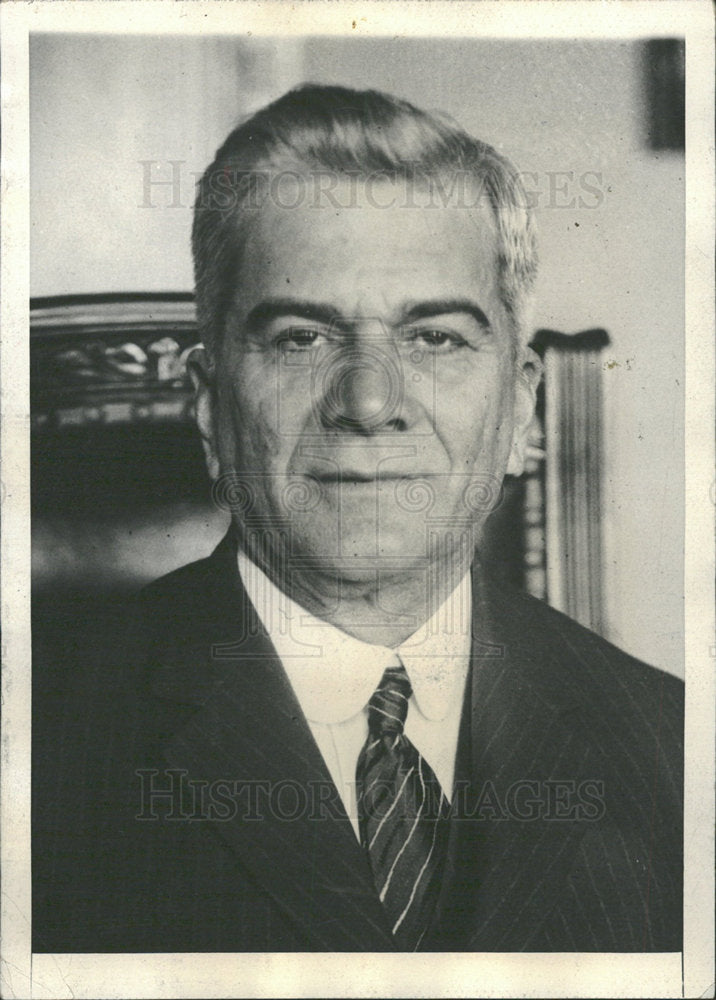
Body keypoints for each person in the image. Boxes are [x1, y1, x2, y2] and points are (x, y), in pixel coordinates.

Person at [34, 84, 682, 953]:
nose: (371, 402)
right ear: (208, 405)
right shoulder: (40, 747)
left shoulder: (676, 753)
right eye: (302, 337)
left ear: (523, 410)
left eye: (436, 338)